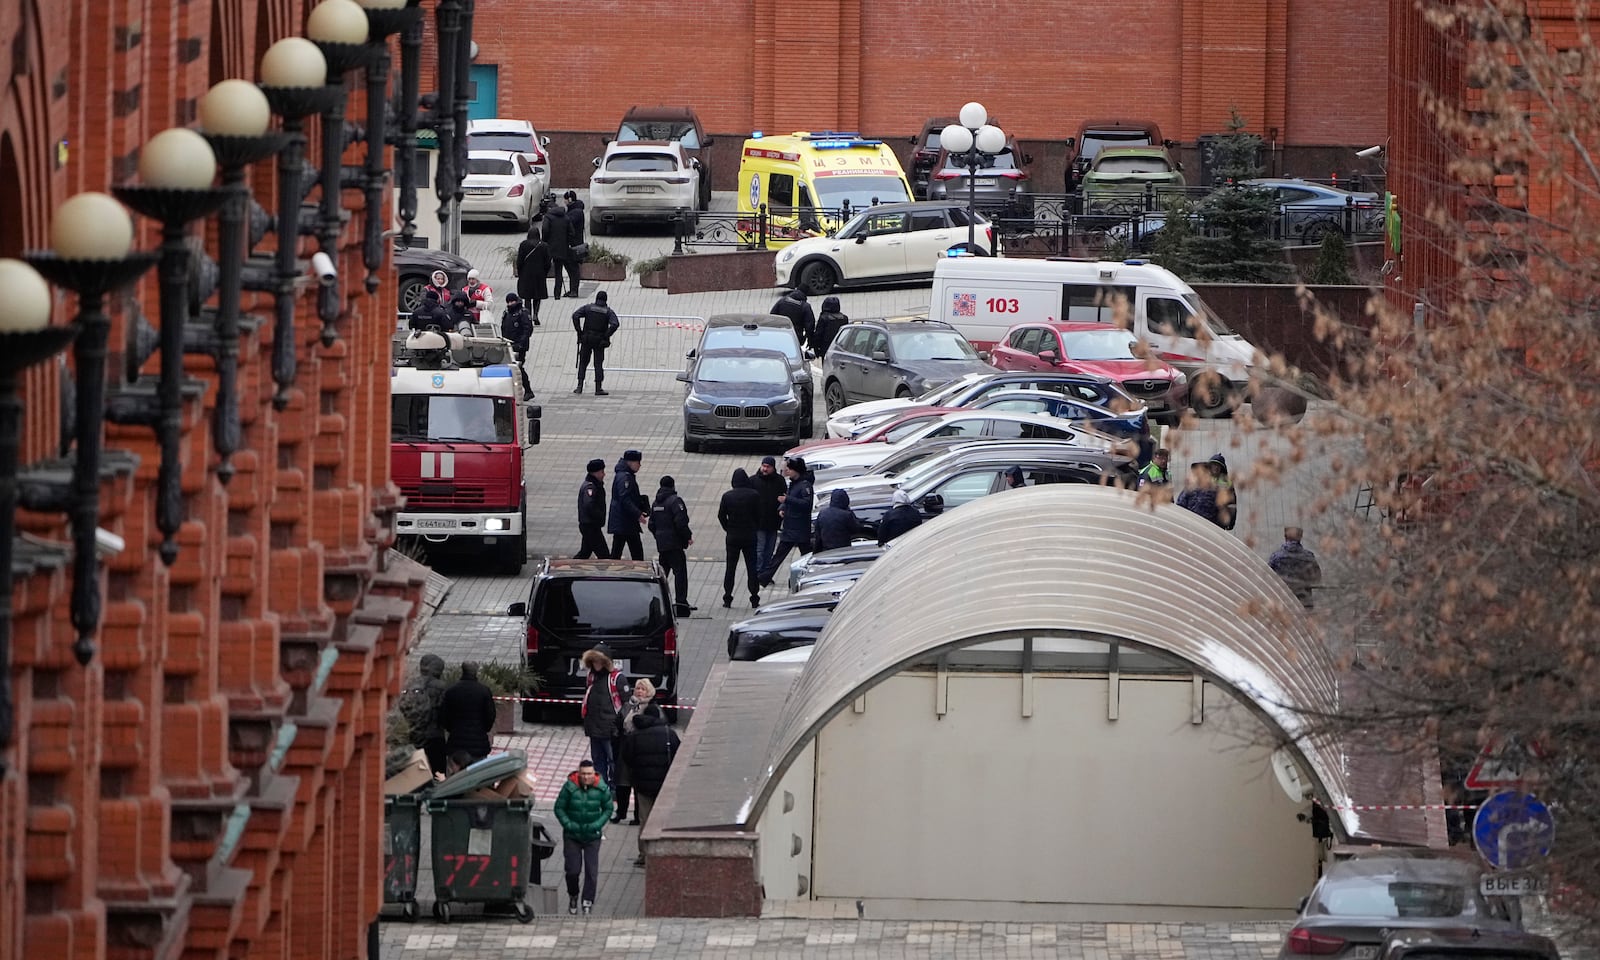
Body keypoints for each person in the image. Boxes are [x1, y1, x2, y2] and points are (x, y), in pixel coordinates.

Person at [619, 704, 679, 867]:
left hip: (642, 785)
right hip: (664, 785)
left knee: (644, 820)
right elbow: (678, 756)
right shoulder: (669, 734)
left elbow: (627, 757)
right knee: (663, 819)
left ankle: (644, 855)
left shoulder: (635, 736)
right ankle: (662, 852)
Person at [553, 758, 613, 916]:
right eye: (584, 774)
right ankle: (573, 895)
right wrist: (569, 824)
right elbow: (559, 808)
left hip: (592, 835)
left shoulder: (601, 788)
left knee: (591, 871)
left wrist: (597, 825)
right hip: (572, 835)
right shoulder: (569, 788)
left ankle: (588, 900)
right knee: (573, 870)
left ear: (594, 773)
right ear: (579, 774)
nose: (587, 777)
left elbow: (608, 809)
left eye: (590, 774)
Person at [758, 457, 814, 587]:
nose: (787, 470)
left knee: (804, 555)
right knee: (780, 555)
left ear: (796, 470)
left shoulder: (805, 485)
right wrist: (782, 508)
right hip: (791, 526)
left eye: (790, 468)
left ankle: (765, 577)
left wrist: (787, 500)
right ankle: (764, 577)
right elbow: (788, 497)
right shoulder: (794, 482)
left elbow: (806, 504)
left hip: (799, 527)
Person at [648, 475, 694, 617]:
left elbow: (651, 524)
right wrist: (687, 537)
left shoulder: (656, 503)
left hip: (662, 545)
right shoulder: (675, 501)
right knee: (680, 572)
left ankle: (655, 602)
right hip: (674, 544)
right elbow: (681, 522)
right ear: (673, 486)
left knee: (662, 574)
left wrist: (659, 537)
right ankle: (681, 603)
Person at [610, 678, 654, 826]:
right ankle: (620, 813)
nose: (639, 691)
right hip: (625, 745)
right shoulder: (628, 705)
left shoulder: (651, 708)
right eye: (637, 688)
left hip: (640, 748)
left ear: (648, 692)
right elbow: (618, 721)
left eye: (642, 689)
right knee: (622, 782)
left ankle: (637, 815)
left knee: (637, 783)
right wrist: (616, 733)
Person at [581, 647, 627, 786]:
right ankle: (601, 787)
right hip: (594, 729)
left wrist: (619, 726)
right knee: (598, 761)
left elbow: (626, 703)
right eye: (594, 661)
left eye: (599, 661)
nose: (596, 664)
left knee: (613, 761)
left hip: (611, 730)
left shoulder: (617, 678)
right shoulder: (591, 677)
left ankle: (614, 789)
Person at [717, 468, 761, 608]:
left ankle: (727, 598)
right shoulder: (754, 495)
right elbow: (759, 514)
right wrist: (755, 527)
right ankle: (754, 597)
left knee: (731, 567)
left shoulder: (727, 496)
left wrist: (728, 528)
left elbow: (721, 516)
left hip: (733, 536)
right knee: (751, 567)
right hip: (749, 535)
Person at [436, 660, 496, 763]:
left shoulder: (452, 691)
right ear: (476, 672)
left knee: (457, 776)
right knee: (478, 774)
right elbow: (490, 715)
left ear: (462, 670)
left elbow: (443, 715)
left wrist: (451, 729)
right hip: (478, 743)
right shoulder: (484, 691)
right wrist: (484, 729)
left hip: (456, 741)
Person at [400, 653, 449, 775]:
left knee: (417, 771)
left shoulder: (411, 685)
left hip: (415, 733)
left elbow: (403, 706)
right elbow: (445, 711)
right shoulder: (441, 687)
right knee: (437, 771)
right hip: (435, 735)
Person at [572, 290, 620, 396]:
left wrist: (579, 332)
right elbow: (615, 324)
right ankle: (598, 388)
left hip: (587, 338)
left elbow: (575, 315)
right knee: (598, 364)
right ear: (605, 300)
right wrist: (606, 335)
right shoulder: (608, 312)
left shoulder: (588, 308)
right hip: (599, 341)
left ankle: (579, 386)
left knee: (583, 362)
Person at [608, 449, 649, 560]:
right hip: (625, 522)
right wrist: (638, 514)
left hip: (624, 522)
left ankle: (612, 573)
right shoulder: (625, 477)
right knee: (635, 553)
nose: (640, 465)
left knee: (618, 551)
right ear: (630, 462)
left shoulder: (624, 475)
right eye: (638, 462)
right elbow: (625, 498)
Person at [1269, 526, 1323, 609]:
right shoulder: (1308, 556)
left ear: (1285, 537)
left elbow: (1268, 577)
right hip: (1304, 600)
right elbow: (1317, 578)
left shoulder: (1276, 557)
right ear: (1300, 537)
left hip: (1283, 599)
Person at [751, 456, 786, 577]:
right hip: (758, 523)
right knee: (759, 550)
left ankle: (765, 573)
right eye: (763, 466)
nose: (765, 469)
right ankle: (758, 572)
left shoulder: (779, 481)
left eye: (768, 467)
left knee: (769, 550)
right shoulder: (753, 481)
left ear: (773, 467)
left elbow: (784, 498)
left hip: (773, 522)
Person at [514, 222, 551, 326]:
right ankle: (535, 314)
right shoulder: (544, 245)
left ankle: (528, 315)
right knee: (537, 296)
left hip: (526, 274)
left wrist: (520, 272)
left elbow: (519, 261)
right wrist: (544, 273)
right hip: (539, 274)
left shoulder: (524, 244)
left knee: (527, 297)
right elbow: (548, 262)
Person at [575, 458, 610, 559]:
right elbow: (589, 505)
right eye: (602, 472)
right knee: (604, 555)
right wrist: (598, 515)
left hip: (590, 526)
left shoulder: (594, 485)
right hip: (591, 526)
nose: (604, 474)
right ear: (595, 473)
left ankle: (571, 569)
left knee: (584, 553)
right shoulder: (590, 487)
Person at [1176, 461, 1226, 528]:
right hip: (1191, 526)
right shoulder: (1189, 489)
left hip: (1208, 528)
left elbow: (1221, 513)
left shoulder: (1215, 491)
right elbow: (1180, 507)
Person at [501, 293, 534, 394]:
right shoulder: (507, 313)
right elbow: (504, 328)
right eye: (509, 302)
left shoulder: (522, 313)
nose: (510, 304)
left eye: (512, 301)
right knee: (512, 368)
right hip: (508, 345)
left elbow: (528, 329)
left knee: (518, 368)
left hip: (519, 346)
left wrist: (521, 343)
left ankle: (528, 390)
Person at [812, 488, 863, 552]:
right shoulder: (846, 514)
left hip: (826, 549)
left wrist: (816, 550)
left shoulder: (822, 513)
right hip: (843, 548)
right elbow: (856, 529)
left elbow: (818, 534)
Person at [543, 200, 575, 299]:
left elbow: (545, 230)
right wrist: (567, 242)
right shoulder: (565, 217)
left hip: (548, 248)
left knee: (543, 271)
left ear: (549, 208)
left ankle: (542, 293)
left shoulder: (548, 217)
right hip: (562, 248)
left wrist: (544, 241)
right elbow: (572, 232)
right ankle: (557, 295)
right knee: (558, 272)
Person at [561, 191, 586, 297]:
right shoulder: (574, 210)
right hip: (571, 244)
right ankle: (572, 290)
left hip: (574, 245)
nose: (564, 202)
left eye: (565, 199)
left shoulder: (576, 212)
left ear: (570, 199)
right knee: (570, 267)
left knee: (573, 268)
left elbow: (568, 223)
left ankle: (574, 291)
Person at [1208, 453, 1237, 530]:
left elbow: (1231, 504)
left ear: (1222, 468)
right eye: (1213, 465)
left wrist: (1231, 522)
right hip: (1203, 518)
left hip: (1219, 521)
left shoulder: (1227, 483)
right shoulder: (1203, 480)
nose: (1216, 468)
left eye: (1218, 466)